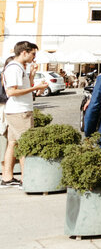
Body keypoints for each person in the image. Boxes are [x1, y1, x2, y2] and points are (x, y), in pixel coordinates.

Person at [2, 42, 51, 187]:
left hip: (16, 111)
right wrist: (36, 87)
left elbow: (22, 88)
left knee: (13, 143)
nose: (34, 57)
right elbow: (11, 92)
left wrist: (32, 75)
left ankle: (7, 177)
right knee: (25, 145)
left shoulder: (17, 68)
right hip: (20, 112)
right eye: (33, 54)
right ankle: (25, 178)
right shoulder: (14, 68)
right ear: (24, 52)